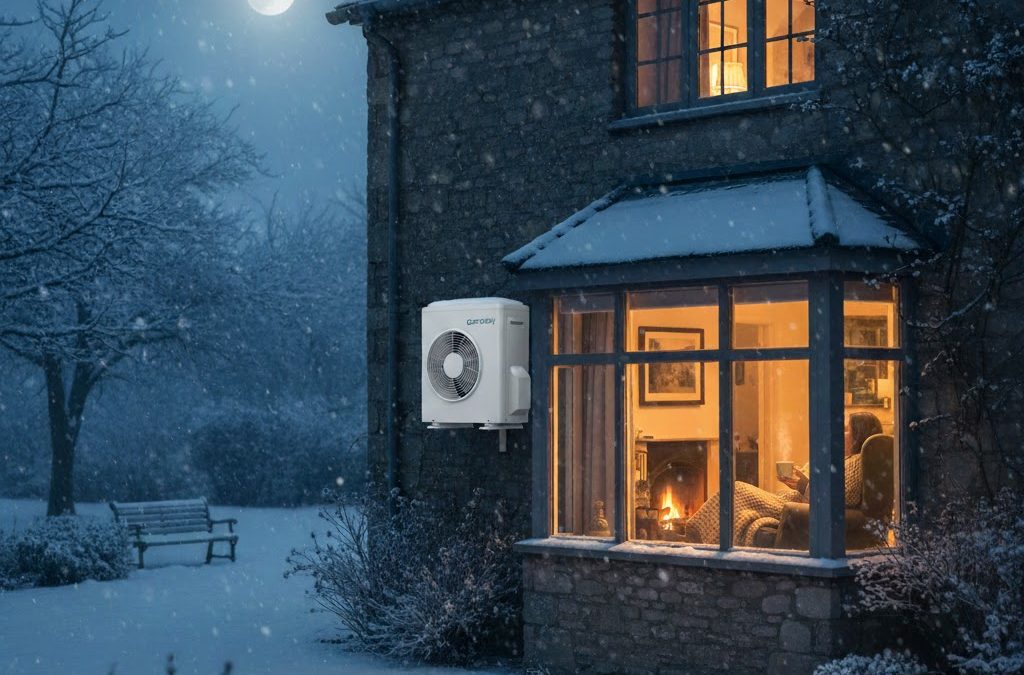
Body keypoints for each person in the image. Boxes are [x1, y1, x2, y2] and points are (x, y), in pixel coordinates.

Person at [686, 412, 884, 546]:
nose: (842, 433)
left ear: (859, 436)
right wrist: (799, 479)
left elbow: (843, 497)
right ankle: (701, 537)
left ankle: (696, 535)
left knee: (737, 490)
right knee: (738, 500)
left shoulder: (857, 461)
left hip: (799, 506)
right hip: (791, 498)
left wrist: (804, 485)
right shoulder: (843, 458)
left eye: (847, 430)